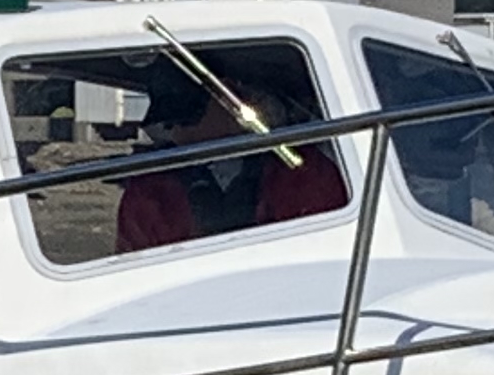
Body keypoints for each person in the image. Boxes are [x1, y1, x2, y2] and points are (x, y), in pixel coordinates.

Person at [112, 65, 347, 254]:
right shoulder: (150, 188)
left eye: (187, 117)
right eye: (169, 121)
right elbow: (133, 264)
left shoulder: (301, 169)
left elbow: (322, 247)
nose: (170, 129)